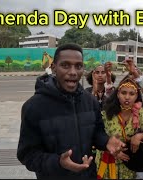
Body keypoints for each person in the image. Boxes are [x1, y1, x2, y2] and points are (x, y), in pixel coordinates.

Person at [17, 43, 125, 179]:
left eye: (78, 66)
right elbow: (27, 154)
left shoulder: (90, 101)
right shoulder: (33, 107)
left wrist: (106, 142)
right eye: (65, 65)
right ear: (54, 67)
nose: (73, 72)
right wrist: (58, 163)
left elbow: (97, 133)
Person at [96, 78, 143, 179]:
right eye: (123, 93)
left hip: (128, 163)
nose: (127, 97)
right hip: (107, 160)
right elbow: (96, 136)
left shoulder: (140, 112)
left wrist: (139, 136)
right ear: (117, 94)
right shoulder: (106, 113)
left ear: (136, 96)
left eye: (131, 94)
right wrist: (112, 150)